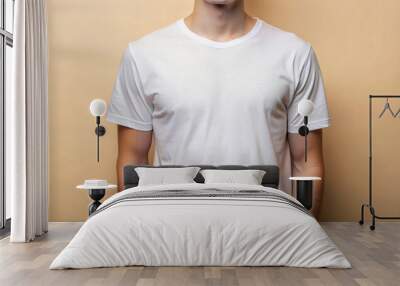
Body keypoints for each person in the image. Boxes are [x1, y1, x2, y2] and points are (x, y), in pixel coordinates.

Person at [107, 0, 330, 218]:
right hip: (173, 232)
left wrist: (303, 240)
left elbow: (306, 162)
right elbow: (133, 161)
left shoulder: (295, 54)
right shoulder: (143, 55)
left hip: (267, 233)